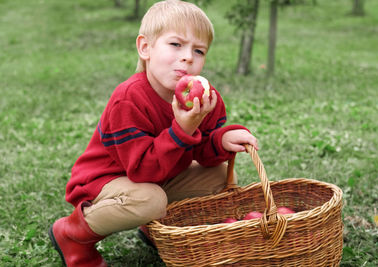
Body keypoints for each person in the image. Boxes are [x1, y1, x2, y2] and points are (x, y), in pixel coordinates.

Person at [48, 0, 258, 266]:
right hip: (107, 180)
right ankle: (72, 234)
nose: (188, 57)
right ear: (145, 48)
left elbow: (202, 152)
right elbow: (141, 171)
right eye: (176, 44)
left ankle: (154, 229)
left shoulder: (205, 97)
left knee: (217, 175)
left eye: (199, 51)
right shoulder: (129, 99)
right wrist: (183, 129)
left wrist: (220, 140)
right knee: (150, 199)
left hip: (158, 177)